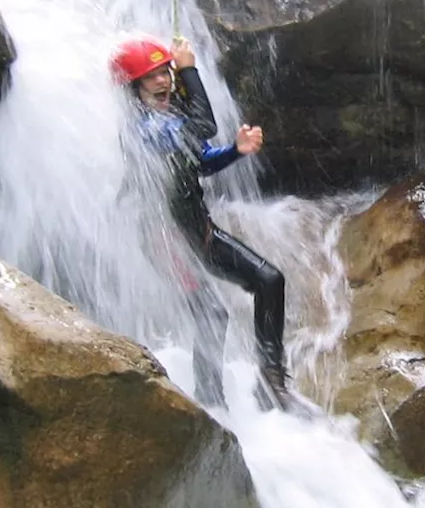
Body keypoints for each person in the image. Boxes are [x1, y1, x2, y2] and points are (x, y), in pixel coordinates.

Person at [110, 34, 294, 412]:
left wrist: (236, 152)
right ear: (134, 88)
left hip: (197, 231)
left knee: (269, 280)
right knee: (210, 313)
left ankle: (271, 381)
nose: (164, 81)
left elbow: (200, 158)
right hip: (166, 239)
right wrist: (189, 69)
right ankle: (212, 404)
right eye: (152, 77)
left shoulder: (166, 118)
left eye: (166, 72)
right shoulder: (140, 126)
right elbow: (204, 126)